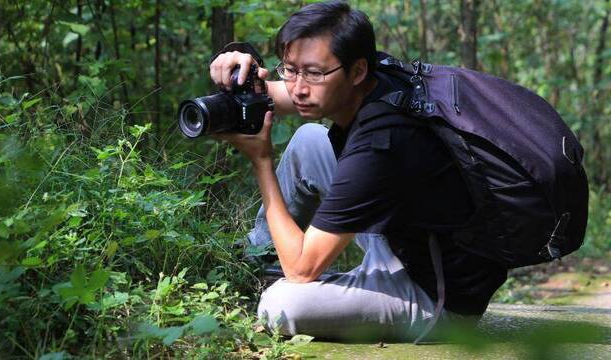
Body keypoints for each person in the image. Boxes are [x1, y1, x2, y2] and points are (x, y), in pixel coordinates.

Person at [209, 0, 507, 341]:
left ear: (357, 70)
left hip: (436, 297)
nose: (299, 87)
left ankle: (308, 284)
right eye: (290, 69)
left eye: (314, 72)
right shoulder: (382, 75)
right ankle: (252, 263)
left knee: (280, 303)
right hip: (403, 236)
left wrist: (261, 161)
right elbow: (275, 95)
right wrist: (237, 74)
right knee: (309, 140)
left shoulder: (382, 143)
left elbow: (302, 268)